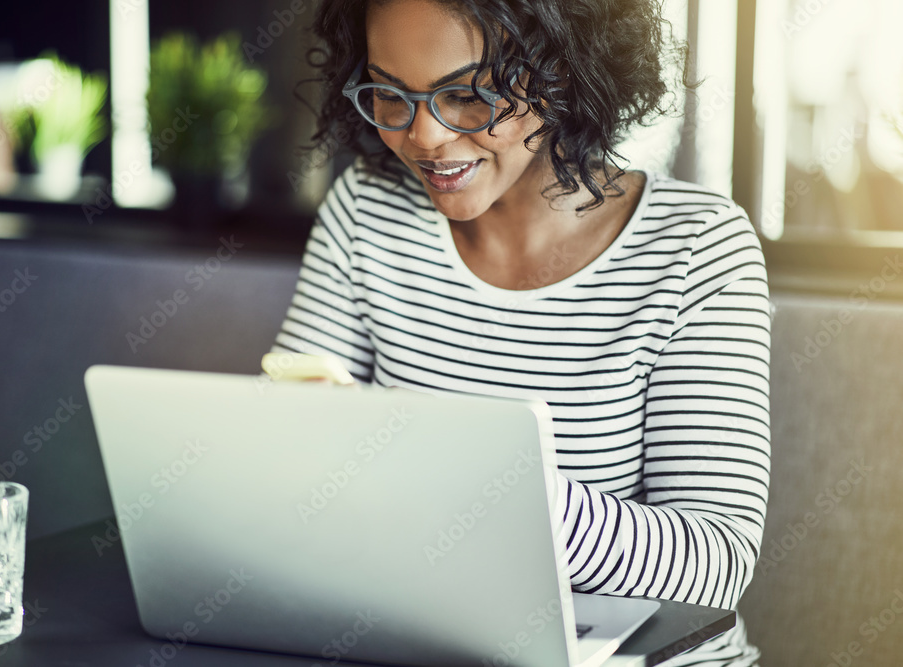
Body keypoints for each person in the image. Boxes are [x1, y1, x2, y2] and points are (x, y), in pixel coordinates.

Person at [271, 0, 771, 664]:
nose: (424, 137)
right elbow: (281, 459)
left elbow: (715, 566)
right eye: (390, 94)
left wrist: (483, 491)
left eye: (470, 95)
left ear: (566, 72)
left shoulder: (696, 247)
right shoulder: (368, 208)